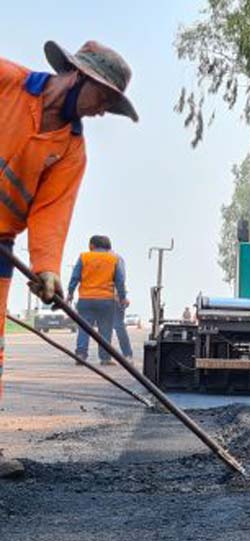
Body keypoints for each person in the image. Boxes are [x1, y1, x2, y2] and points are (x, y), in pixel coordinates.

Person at [0, 40, 136, 407]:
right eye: (103, 98)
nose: (103, 111)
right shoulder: (8, 80)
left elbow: (51, 212)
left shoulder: (71, 150)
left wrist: (46, 270)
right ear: (78, 75)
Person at [67, 235, 127, 366]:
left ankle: (81, 355)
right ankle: (105, 358)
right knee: (105, 329)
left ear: (92, 245)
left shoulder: (84, 257)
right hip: (106, 300)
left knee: (84, 327)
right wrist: (122, 298)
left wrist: (70, 293)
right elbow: (120, 281)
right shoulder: (114, 259)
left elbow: (75, 277)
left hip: (86, 299)